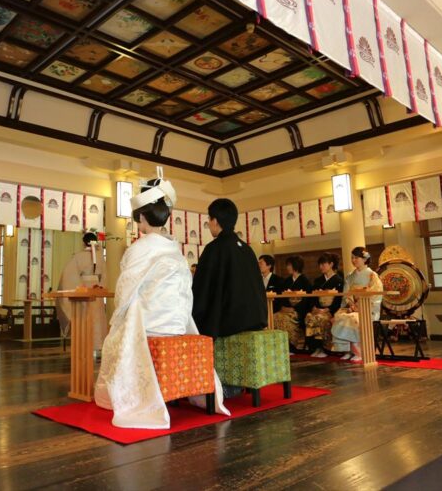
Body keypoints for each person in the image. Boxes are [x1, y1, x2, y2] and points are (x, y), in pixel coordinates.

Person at [94, 173, 229, 429]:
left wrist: (117, 317)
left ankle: (128, 395)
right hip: (177, 323)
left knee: (117, 333)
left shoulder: (140, 248)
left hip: (154, 325)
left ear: (142, 218)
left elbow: (124, 291)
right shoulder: (174, 249)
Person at [192, 198, 267, 339]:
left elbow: (202, 291)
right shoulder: (247, 249)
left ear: (215, 221)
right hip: (255, 319)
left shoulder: (213, 249)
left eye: (209, 219)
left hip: (230, 323)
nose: (208, 223)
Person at [331, 246, 383, 362]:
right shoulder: (350, 276)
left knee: (352, 318)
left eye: (356, 258)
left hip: (367, 309)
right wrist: (351, 305)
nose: (353, 260)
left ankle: (358, 352)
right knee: (339, 316)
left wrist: (359, 307)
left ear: (365, 259)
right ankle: (347, 350)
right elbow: (346, 294)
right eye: (352, 258)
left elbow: (376, 295)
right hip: (352, 307)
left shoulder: (372, 276)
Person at [57, 231, 107, 350]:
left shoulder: (79, 256)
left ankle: (84, 345)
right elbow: (105, 276)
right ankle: (98, 345)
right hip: (97, 290)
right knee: (97, 317)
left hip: (84, 290)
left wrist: (79, 286)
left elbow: (69, 276)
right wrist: (100, 286)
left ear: (84, 243)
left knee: (83, 317)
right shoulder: (100, 257)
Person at [305, 253, 343, 357]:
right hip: (318, 309)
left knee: (320, 319)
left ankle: (324, 348)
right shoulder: (318, 280)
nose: (321, 267)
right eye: (320, 264)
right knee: (309, 317)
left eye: (323, 264)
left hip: (330, 310)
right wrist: (314, 307)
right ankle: (315, 347)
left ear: (331, 264)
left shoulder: (339, 281)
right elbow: (313, 297)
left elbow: (339, 299)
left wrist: (328, 310)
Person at [273, 255, 312, 352]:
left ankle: (293, 346)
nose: (287, 267)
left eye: (289, 265)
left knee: (284, 319)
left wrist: (294, 309)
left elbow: (307, 299)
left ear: (296, 266)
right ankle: (281, 345)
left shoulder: (305, 281)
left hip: (299, 310)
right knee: (275, 317)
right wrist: (283, 307)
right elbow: (282, 297)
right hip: (287, 309)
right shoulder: (287, 281)